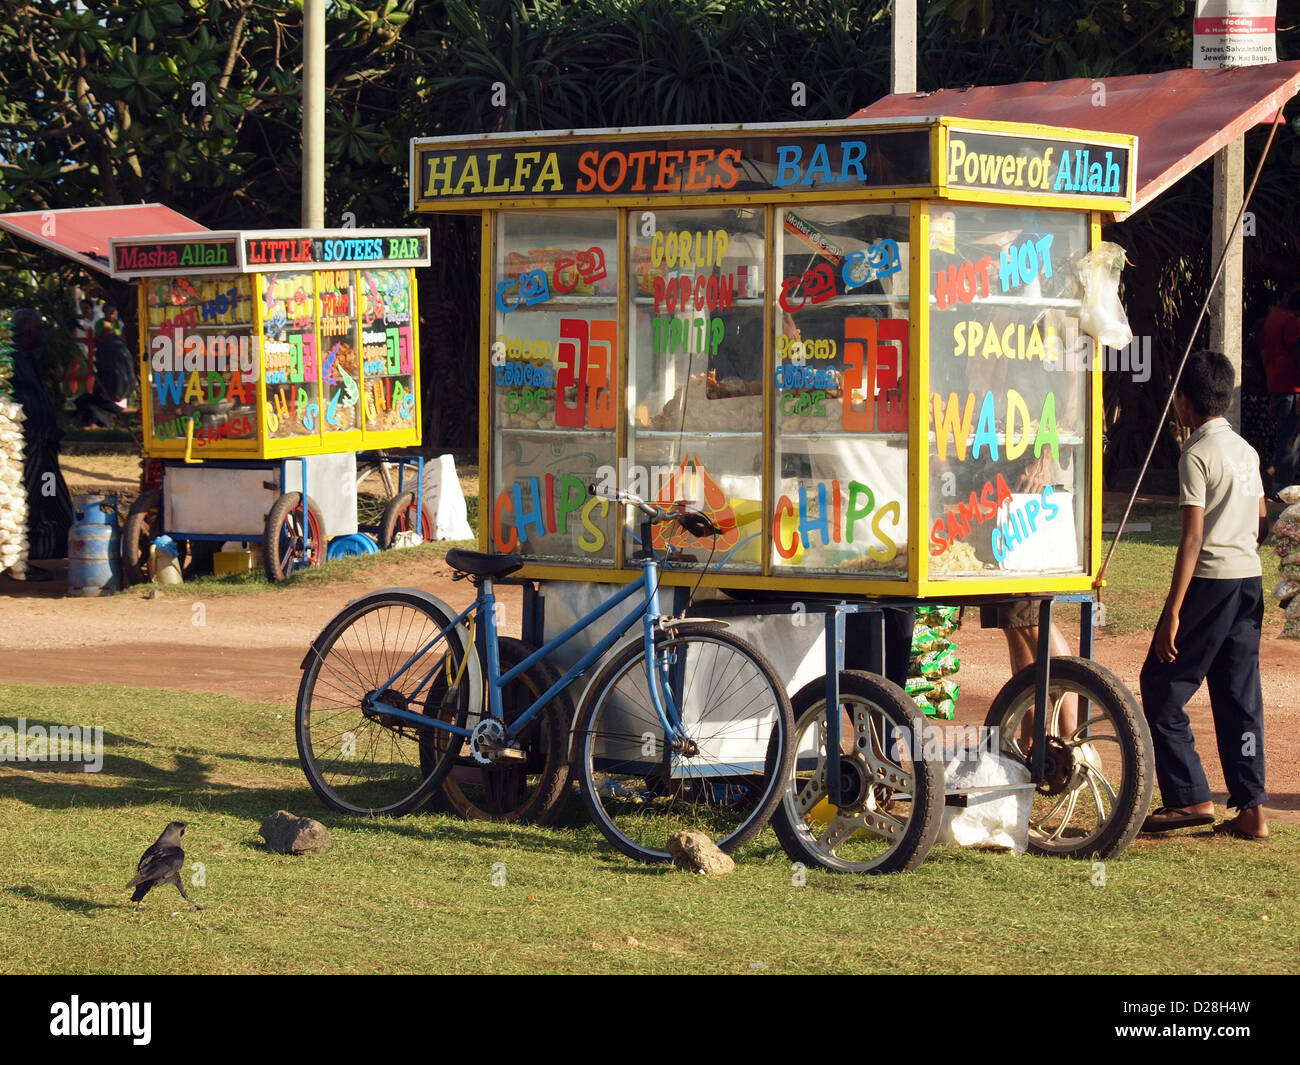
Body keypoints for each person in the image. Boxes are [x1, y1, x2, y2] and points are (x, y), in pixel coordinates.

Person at [1139, 350, 1270, 840]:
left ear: (1185, 402)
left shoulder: (1195, 454)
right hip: (1249, 580)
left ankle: (1189, 797)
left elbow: (1192, 537)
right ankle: (1252, 808)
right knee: (1239, 694)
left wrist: (1172, 612)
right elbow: (1259, 517)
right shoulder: (1247, 451)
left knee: (1161, 685)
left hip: (1212, 582)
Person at [9, 309, 74, 573]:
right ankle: (22, 559)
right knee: (31, 497)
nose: (44, 335)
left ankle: (51, 547)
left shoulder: (27, 359)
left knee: (49, 494)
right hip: (30, 445)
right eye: (40, 330)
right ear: (28, 333)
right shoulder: (13, 360)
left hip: (45, 445)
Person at [1260, 283, 1300, 497]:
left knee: (1285, 437)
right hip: (1292, 387)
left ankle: (1278, 486)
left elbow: (1265, 355)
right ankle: (1283, 491)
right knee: (1290, 440)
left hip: (1277, 385)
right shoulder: (1291, 322)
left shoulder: (1272, 319)